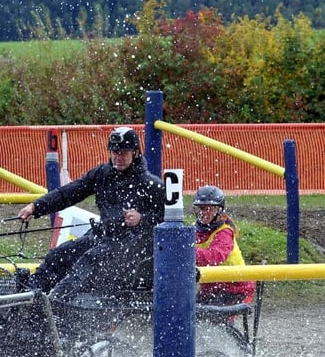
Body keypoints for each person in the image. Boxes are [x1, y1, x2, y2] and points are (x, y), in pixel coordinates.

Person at [17, 126, 166, 301]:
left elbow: (167, 220)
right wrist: (36, 207)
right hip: (101, 237)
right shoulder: (102, 174)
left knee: (88, 260)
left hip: (131, 247)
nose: (118, 157)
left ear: (135, 153)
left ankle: (55, 301)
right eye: (114, 152)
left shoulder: (151, 184)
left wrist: (142, 219)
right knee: (57, 255)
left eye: (123, 153)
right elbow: (70, 192)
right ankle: (28, 299)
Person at [193, 185, 255, 305]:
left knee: (209, 314)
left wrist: (187, 252)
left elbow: (214, 257)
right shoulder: (195, 230)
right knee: (187, 309)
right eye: (200, 208)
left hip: (236, 289)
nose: (203, 213)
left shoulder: (225, 231)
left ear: (218, 210)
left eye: (208, 209)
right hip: (211, 289)